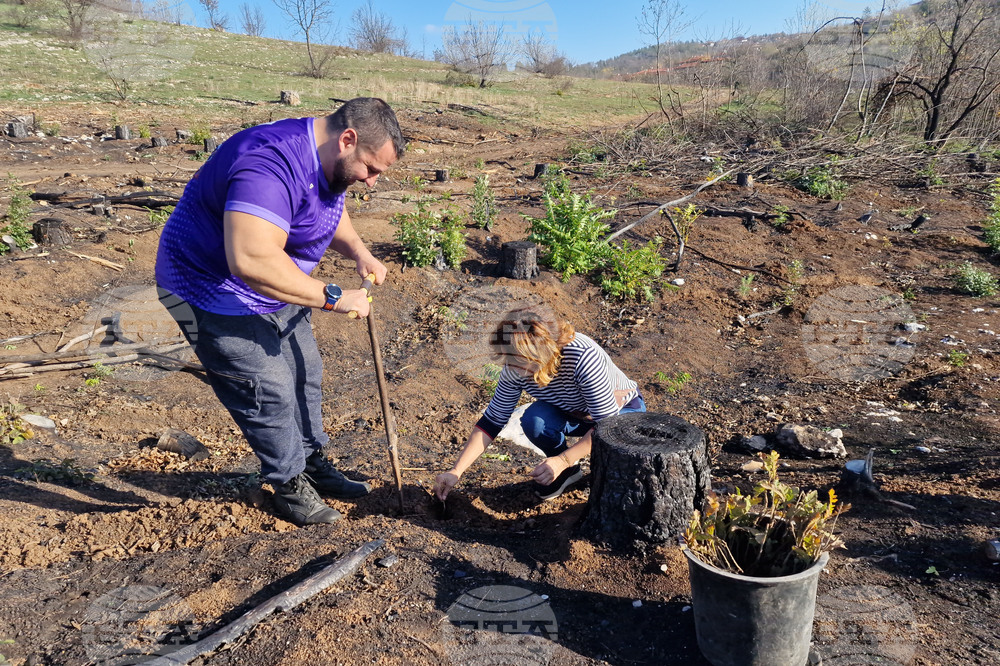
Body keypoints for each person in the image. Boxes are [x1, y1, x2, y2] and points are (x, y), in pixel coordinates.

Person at [155, 97, 405, 526]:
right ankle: (288, 484)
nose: (373, 182)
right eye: (372, 168)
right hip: (208, 289)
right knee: (265, 388)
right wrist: (333, 296)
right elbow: (251, 260)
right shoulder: (267, 163)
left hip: (275, 284)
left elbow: (327, 206)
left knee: (306, 371)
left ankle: (311, 463)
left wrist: (359, 251)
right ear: (348, 139)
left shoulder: (329, 161)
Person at [434, 308, 646, 502]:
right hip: (575, 413)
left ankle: (568, 466)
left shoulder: (583, 357)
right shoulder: (514, 367)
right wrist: (456, 471)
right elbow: (492, 421)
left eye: (518, 362)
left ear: (539, 355)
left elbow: (607, 426)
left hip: (622, 413)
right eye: (508, 360)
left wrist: (563, 459)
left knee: (613, 472)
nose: (511, 369)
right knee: (535, 419)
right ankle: (568, 472)